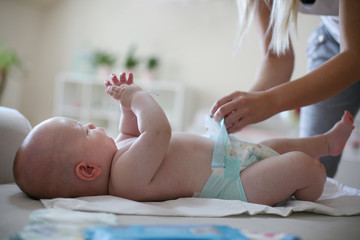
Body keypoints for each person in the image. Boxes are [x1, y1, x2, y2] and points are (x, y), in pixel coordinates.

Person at [13, 73, 354, 206]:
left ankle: (326, 143)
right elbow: (157, 132)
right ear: (87, 169)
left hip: (229, 154)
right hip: (235, 183)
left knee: (277, 146)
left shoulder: (119, 152)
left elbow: (132, 130)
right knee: (291, 164)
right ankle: (313, 180)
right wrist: (139, 96)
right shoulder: (125, 178)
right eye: (83, 130)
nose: (90, 124)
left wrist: (125, 106)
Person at [210, 0, 360, 177]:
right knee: (309, 167)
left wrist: (268, 102)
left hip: (352, 53)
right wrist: (243, 107)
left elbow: (354, 58)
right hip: (335, 42)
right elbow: (277, 57)